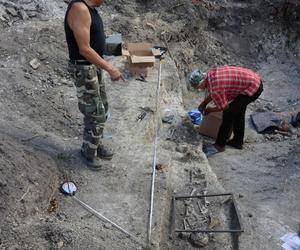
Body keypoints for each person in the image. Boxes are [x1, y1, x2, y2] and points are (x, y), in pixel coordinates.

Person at [64, 0, 123, 169]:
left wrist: (113, 47)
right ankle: (88, 152)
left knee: (102, 107)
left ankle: (95, 143)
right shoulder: (80, 9)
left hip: (92, 67)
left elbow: (95, 39)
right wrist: (110, 68)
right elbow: (84, 49)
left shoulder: (91, 10)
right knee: (94, 113)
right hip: (83, 69)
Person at [189, 66, 263, 156]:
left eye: (199, 87)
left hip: (253, 87)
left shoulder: (216, 88)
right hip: (252, 80)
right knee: (238, 112)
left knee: (229, 113)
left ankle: (220, 145)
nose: (200, 89)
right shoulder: (211, 75)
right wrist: (204, 103)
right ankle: (237, 142)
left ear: (202, 81)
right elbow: (214, 92)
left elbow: (224, 106)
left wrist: (210, 110)